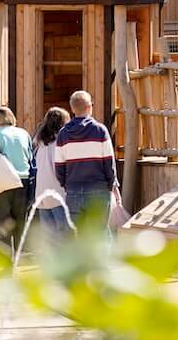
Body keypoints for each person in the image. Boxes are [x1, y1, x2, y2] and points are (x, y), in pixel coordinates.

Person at [55, 90, 118, 227]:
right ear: (89, 107)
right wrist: (110, 185)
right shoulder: (100, 130)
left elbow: (59, 167)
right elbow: (109, 163)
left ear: (72, 109)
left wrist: (67, 185)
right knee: (98, 237)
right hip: (99, 189)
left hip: (73, 190)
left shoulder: (63, 134)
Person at [0, 106, 33, 250]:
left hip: (1, 182)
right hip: (23, 181)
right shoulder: (24, 133)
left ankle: (5, 258)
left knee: (0, 224)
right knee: (20, 222)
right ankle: (20, 258)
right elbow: (30, 157)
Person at [33, 107, 71, 236]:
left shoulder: (41, 144)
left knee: (49, 238)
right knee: (64, 235)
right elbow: (59, 169)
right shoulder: (59, 143)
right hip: (58, 193)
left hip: (41, 194)